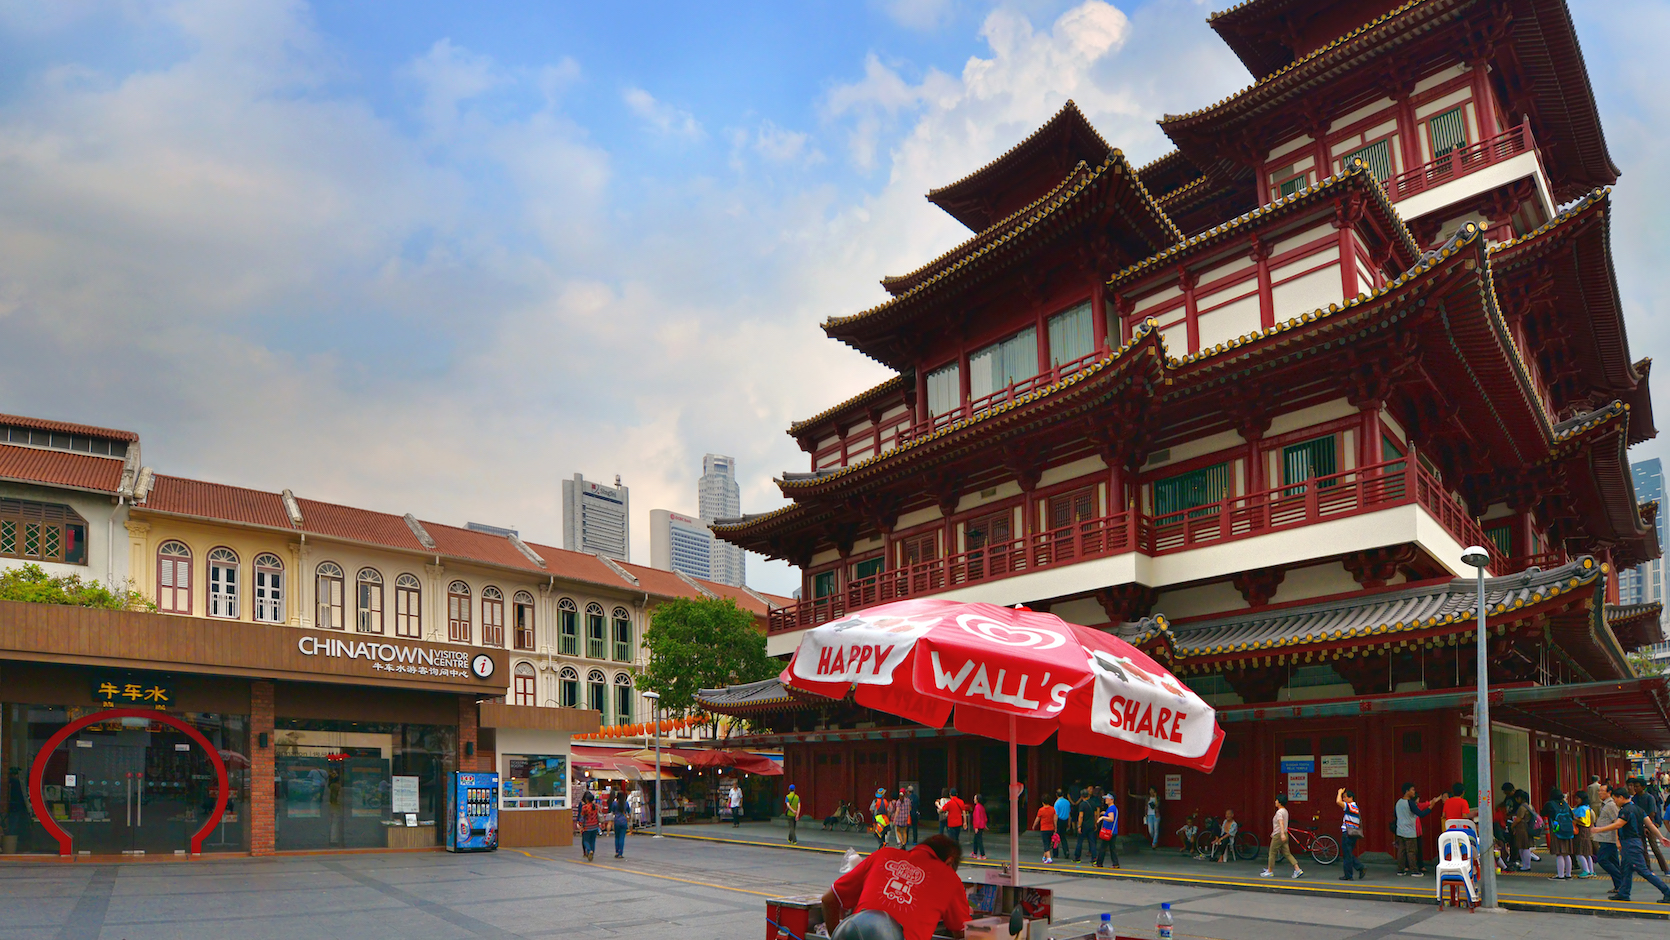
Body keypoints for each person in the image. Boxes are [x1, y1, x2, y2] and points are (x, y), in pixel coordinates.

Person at [821, 834, 972, 940]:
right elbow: (962, 933)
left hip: (856, 931)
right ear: (949, 862)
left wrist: (837, 935)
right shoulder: (949, 876)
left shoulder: (883, 855)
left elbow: (829, 899)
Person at [1590, 785, 1670, 903]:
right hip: (1634, 842)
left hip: (1630, 843)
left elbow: (1618, 825)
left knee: (1643, 871)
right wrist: (1661, 837)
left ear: (1621, 797)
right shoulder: (1638, 809)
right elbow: (1650, 824)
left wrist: (1599, 829)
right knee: (1626, 869)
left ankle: (1667, 891)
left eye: (1615, 799)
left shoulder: (1626, 810)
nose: (1615, 802)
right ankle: (1624, 893)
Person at [1630, 777, 1670, 875]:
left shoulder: (1649, 797)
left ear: (1643, 787)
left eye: (1637, 786)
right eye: (1634, 786)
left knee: (1654, 847)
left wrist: (1647, 826)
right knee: (1643, 848)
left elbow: (1652, 813)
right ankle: (1647, 868)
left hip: (1650, 824)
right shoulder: (1634, 798)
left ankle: (1665, 869)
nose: (1635, 788)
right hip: (1638, 826)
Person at [1393, 783, 1432, 876]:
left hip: (1400, 830)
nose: (1414, 792)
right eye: (1412, 790)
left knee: (1401, 851)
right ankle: (1414, 870)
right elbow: (1420, 814)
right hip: (1410, 831)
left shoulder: (1398, 802)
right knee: (1411, 851)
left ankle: (1400, 870)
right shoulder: (1410, 803)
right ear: (1407, 791)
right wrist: (1430, 808)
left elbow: (1395, 815)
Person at [1262, 795, 1304, 879]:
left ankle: (1269, 871)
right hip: (1284, 833)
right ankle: (1297, 869)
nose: (1275, 802)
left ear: (1279, 802)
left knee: (1272, 853)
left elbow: (1281, 823)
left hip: (1279, 835)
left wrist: (1280, 834)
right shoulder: (1285, 811)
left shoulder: (1279, 812)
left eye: (1276, 800)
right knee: (1287, 853)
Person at [1593, 785, 1625, 893]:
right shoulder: (1605, 805)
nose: (1599, 793)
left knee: (1602, 860)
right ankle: (1619, 886)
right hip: (1606, 838)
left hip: (1608, 838)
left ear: (1609, 792)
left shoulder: (1610, 805)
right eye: (1599, 791)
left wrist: (1617, 839)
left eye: (1602, 791)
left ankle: (1620, 880)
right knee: (1614, 862)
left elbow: (1616, 822)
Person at [1544, 786, 1576, 880]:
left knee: (1559, 853)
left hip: (1557, 830)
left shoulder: (1550, 804)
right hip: (1568, 830)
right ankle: (1568, 874)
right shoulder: (1565, 804)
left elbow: (1543, 813)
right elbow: (1571, 815)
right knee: (1566, 853)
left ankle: (1561, 875)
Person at [1336, 788, 1365, 880]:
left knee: (1347, 856)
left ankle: (1349, 875)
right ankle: (1359, 868)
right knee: (1348, 853)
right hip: (1353, 834)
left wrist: (1339, 792)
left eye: (1345, 797)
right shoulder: (1355, 808)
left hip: (1347, 834)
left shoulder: (1351, 807)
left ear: (1351, 798)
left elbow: (1338, 801)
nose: (1343, 799)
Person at [1570, 790, 1596, 879]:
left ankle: (1586, 870)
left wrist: (1574, 819)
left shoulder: (1581, 809)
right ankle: (1591, 871)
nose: (1576, 800)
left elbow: (1582, 820)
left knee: (1579, 852)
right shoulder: (1587, 807)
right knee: (1587, 853)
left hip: (1581, 831)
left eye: (1578, 798)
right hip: (1587, 831)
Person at [1509, 791, 1534, 872]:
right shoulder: (1530, 806)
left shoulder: (1522, 808)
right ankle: (1526, 865)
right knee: (1525, 846)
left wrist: (1512, 826)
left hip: (1522, 828)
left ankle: (1526, 865)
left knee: (1523, 846)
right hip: (1528, 827)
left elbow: (1519, 819)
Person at [1095, 794, 1120, 869]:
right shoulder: (1112, 808)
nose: (1106, 799)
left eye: (1107, 798)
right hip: (1112, 831)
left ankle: (1099, 863)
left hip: (1109, 831)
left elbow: (1111, 818)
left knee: (1103, 847)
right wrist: (1104, 813)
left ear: (1112, 800)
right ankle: (1115, 863)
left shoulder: (1111, 808)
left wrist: (1102, 817)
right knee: (1111, 848)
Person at [1073, 788, 1098, 863]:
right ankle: (1094, 858)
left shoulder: (1082, 804)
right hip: (1091, 825)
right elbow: (1096, 814)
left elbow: (1081, 816)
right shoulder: (1093, 803)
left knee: (1080, 841)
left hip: (1084, 825)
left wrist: (1079, 826)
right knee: (1092, 842)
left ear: (1082, 796)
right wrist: (1095, 823)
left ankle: (1077, 858)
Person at [578, 790, 601, 862]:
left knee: (585, 840)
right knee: (593, 841)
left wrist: (580, 825)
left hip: (587, 826)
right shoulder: (596, 806)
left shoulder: (585, 807)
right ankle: (592, 853)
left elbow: (582, 818)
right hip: (595, 826)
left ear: (587, 800)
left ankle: (589, 850)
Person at [1034, 799, 1057, 863]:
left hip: (1044, 829)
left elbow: (1037, 819)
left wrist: (1034, 826)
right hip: (1051, 828)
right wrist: (1055, 827)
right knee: (1048, 843)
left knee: (1046, 843)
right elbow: (1055, 819)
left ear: (1043, 802)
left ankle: (1049, 858)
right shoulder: (1053, 809)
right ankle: (1044, 857)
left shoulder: (1041, 810)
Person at [609, 788, 630, 859]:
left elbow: (612, 811)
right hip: (623, 821)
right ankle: (620, 853)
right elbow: (629, 812)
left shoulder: (615, 803)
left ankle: (617, 852)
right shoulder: (626, 803)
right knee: (622, 838)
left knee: (617, 837)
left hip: (617, 821)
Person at [1052, 789, 1072, 857]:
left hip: (1059, 821)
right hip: (1065, 820)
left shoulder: (1057, 803)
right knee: (1063, 837)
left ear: (1056, 795)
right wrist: (1069, 823)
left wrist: (1055, 825)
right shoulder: (1067, 802)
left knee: (1056, 837)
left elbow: (1056, 815)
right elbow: (1069, 814)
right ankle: (1066, 851)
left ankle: (1055, 853)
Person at [970, 794, 988, 860]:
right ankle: (974, 853)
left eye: (975, 798)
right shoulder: (982, 807)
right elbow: (984, 817)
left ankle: (982, 854)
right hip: (982, 825)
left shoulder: (977, 807)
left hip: (978, 825)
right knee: (975, 840)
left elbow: (977, 817)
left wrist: (976, 827)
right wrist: (985, 824)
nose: (974, 800)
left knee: (979, 840)